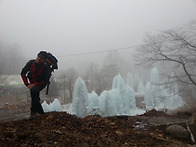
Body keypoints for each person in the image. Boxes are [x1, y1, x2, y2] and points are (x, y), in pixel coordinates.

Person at [21, 51, 50, 118]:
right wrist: (27, 84)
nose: (39, 59)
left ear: (44, 60)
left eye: (41, 58)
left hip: (41, 83)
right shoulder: (30, 63)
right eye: (38, 56)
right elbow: (23, 73)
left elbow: (45, 81)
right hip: (32, 83)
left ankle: (33, 112)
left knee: (34, 91)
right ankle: (41, 113)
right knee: (34, 95)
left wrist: (34, 84)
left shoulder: (45, 68)